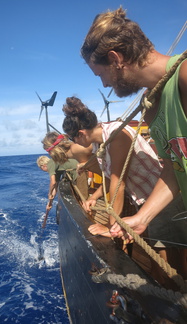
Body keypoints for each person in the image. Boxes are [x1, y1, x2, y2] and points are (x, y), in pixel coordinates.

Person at [80, 8, 187, 250]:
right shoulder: (150, 106)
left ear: (116, 60)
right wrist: (142, 217)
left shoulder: (184, 76)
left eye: (100, 75)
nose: (105, 84)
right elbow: (174, 168)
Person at [62, 96, 187, 280]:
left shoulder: (117, 135)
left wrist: (110, 227)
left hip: (162, 200)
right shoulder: (100, 142)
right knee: (164, 262)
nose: (75, 143)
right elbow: (107, 176)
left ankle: (176, 304)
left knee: (166, 267)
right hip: (145, 202)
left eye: (73, 138)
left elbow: (118, 184)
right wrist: (94, 197)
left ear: (80, 133)